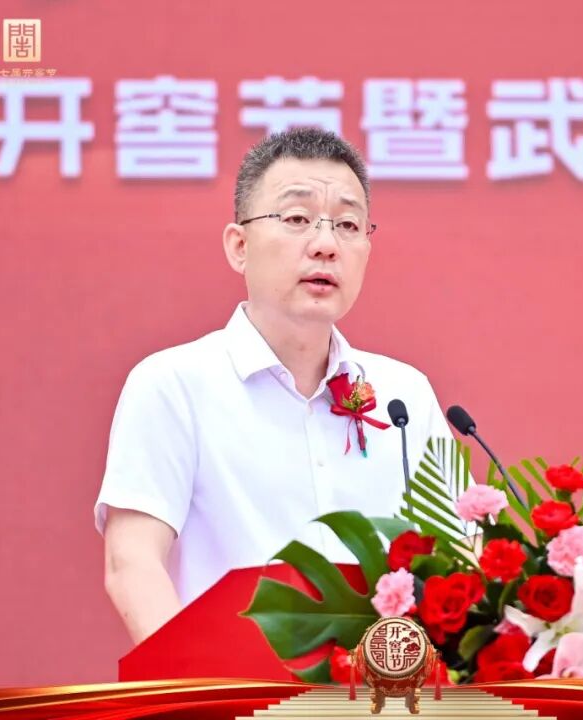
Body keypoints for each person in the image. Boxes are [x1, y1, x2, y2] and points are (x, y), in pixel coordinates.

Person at [94, 127, 457, 644]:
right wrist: (197, 681)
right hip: (230, 686)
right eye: (296, 219)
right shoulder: (172, 385)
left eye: (348, 225)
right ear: (239, 246)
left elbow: (460, 558)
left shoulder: (407, 395)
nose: (326, 245)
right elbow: (131, 563)